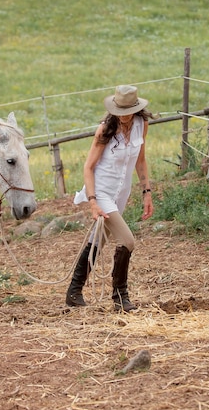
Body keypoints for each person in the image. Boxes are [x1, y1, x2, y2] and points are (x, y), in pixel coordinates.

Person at [66, 84, 154, 312]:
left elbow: (140, 160)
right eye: (120, 113)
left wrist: (147, 192)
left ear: (136, 109)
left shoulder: (141, 125)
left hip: (120, 193)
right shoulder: (105, 130)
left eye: (128, 112)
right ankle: (120, 297)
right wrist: (93, 202)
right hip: (102, 191)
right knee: (127, 241)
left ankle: (74, 291)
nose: (124, 117)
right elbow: (88, 167)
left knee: (98, 241)